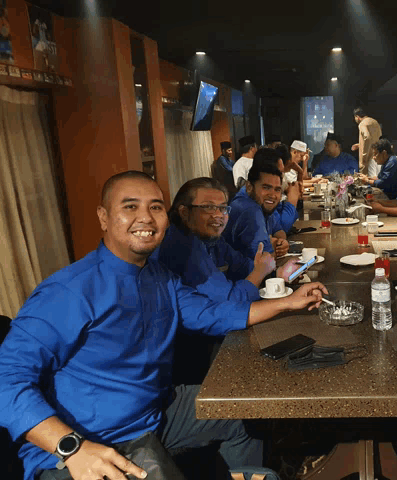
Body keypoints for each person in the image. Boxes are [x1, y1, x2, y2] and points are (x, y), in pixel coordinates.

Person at [0, 171, 327, 480]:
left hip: (154, 415)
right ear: (103, 217)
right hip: (88, 441)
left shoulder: (161, 279)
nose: (145, 217)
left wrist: (288, 301)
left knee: (243, 411)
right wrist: (72, 448)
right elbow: (6, 380)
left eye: (155, 207)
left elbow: (213, 314)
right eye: (130, 207)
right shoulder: (69, 290)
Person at [155, 177, 299, 304]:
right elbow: (230, 300)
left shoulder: (213, 240)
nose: (218, 215)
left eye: (222, 207)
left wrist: (277, 274)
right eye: (208, 207)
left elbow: (240, 265)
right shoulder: (183, 247)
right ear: (184, 212)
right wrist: (260, 272)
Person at [224, 156, 290, 259]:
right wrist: (271, 246)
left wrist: (280, 242)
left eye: (277, 189)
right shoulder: (249, 209)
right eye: (266, 188)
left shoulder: (262, 203)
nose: (273, 195)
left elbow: (278, 230)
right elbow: (265, 260)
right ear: (249, 187)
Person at [351, 107, 382, 177]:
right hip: (377, 157)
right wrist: (360, 145)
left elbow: (367, 137)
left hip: (367, 160)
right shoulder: (375, 122)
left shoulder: (362, 123)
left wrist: (364, 155)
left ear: (357, 117)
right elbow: (377, 139)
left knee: (366, 182)